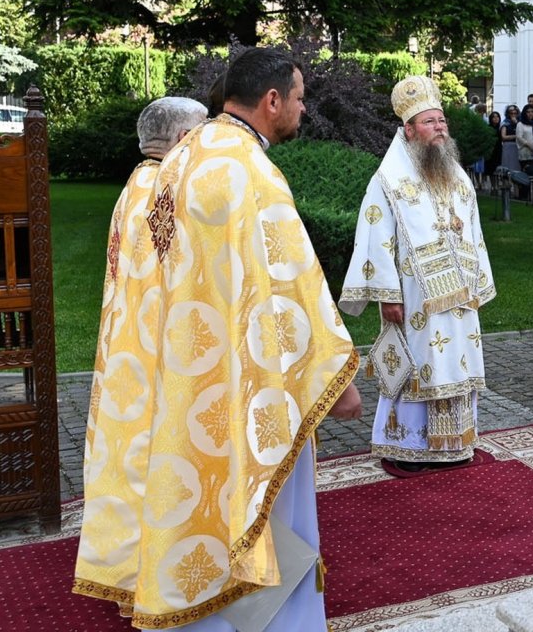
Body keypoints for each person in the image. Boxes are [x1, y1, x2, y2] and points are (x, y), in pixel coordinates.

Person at [75, 49, 362, 628]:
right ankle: (283, 620)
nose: (304, 110)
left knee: (197, 501)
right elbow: (289, 284)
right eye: (300, 98)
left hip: (186, 370)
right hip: (249, 378)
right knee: (268, 502)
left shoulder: (183, 159)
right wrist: (337, 379)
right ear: (272, 101)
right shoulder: (252, 170)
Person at [75, 96, 211, 621]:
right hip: (159, 355)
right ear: (181, 141)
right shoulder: (169, 193)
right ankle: (160, 581)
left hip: (129, 350)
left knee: (131, 463)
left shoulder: (135, 186)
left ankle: (128, 574)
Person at [339, 75, 495, 474]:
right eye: (430, 122)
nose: (440, 128)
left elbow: (473, 230)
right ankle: (405, 448)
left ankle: (455, 444)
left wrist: (478, 279)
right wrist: (388, 294)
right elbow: (375, 238)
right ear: (408, 130)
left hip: (458, 294)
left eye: (441, 121)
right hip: (414, 297)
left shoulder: (456, 175)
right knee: (415, 367)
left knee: (456, 363)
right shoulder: (388, 181)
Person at [517, 104, 533, 171]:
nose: (530, 114)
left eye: (532, 111)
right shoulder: (520, 124)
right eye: (528, 112)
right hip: (525, 152)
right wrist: (529, 144)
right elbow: (519, 137)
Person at [500, 103, 521, 170]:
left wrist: (517, 123)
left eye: (515, 113)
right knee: (508, 166)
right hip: (509, 146)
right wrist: (516, 136)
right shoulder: (505, 122)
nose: (513, 115)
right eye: (511, 113)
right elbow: (503, 137)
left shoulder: (519, 122)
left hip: (518, 146)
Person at [486, 110, 504, 176]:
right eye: (494, 117)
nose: (496, 118)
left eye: (497, 117)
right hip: (491, 150)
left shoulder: (501, 128)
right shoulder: (488, 128)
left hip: (498, 149)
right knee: (491, 168)